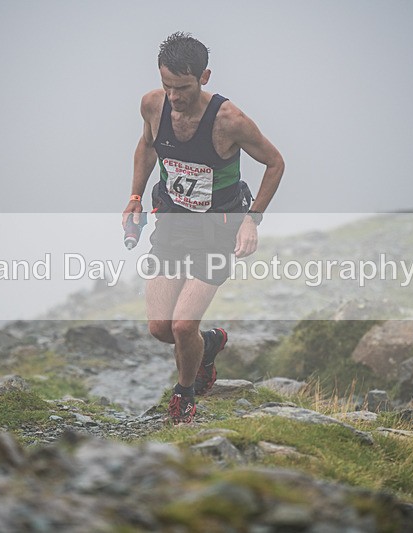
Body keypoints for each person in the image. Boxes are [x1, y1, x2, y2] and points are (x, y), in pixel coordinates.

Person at [122, 32, 284, 423]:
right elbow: (147, 146)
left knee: (182, 325)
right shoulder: (152, 106)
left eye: (184, 87)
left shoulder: (230, 121)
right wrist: (135, 198)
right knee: (161, 327)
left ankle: (185, 394)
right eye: (168, 86)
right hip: (172, 224)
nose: (175, 97)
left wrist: (252, 220)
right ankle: (209, 345)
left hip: (217, 229)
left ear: (204, 77)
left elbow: (275, 163)